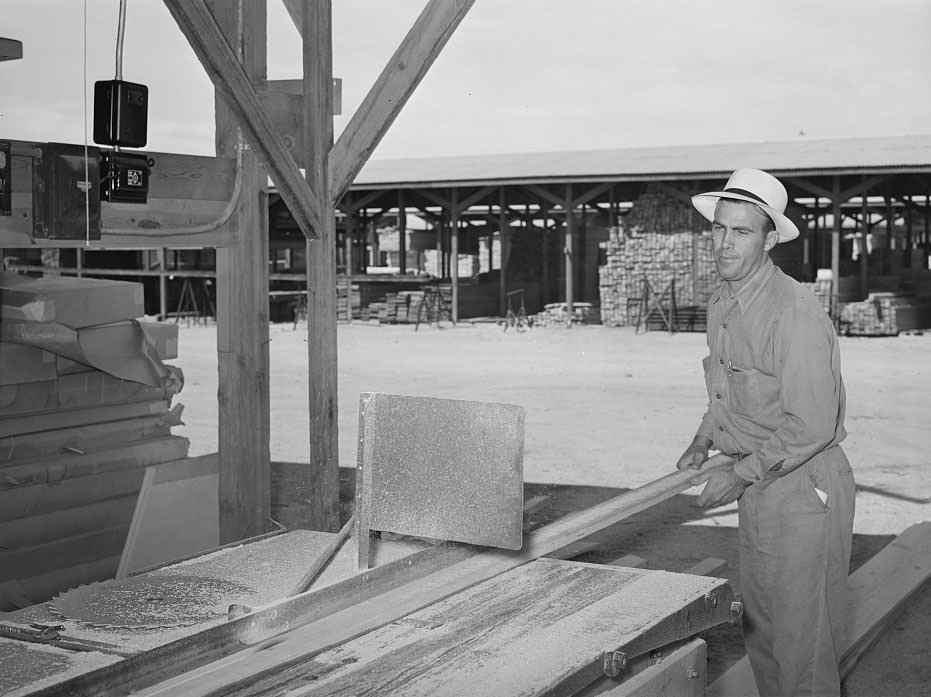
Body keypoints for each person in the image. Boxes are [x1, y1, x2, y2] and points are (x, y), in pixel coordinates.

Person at [676, 168, 855, 697]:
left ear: (770, 238)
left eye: (742, 232)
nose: (724, 243)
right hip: (761, 482)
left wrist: (740, 474)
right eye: (718, 229)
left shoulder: (793, 312)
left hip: (804, 487)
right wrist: (703, 439)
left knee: (801, 649)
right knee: (764, 633)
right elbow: (729, 388)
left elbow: (811, 424)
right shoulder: (723, 302)